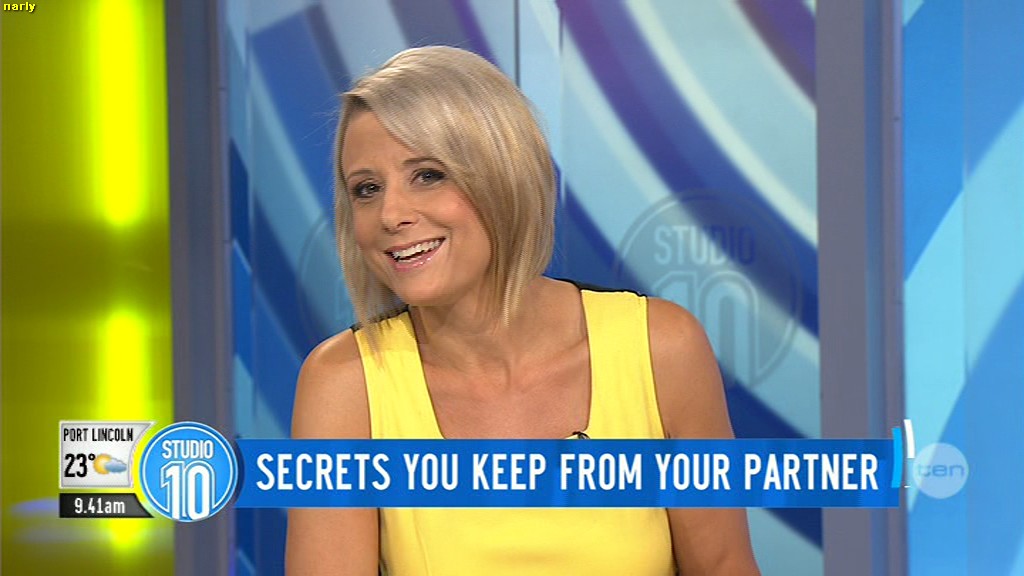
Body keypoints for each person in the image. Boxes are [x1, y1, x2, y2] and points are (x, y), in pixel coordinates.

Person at [287, 46, 760, 575]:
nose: (391, 214)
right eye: (367, 189)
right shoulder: (345, 383)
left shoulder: (660, 349)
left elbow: (724, 566)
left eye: (428, 175)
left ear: (503, 175)